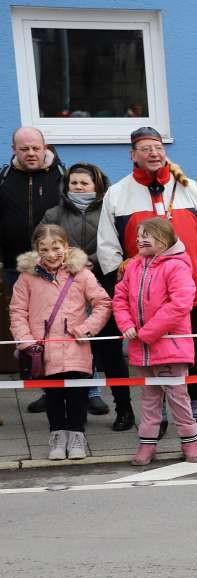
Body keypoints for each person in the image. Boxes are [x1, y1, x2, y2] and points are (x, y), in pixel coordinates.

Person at [97, 126, 197, 445]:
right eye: (145, 148)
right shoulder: (118, 194)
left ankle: (195, 417)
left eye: (157, 146)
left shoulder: (190, 189)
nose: (153, 152)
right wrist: (125, 283)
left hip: (187, 296)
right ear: (133, 154)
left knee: (190, 354)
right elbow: (107, 246)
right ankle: (161, 418)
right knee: (149, 356)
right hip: (143, 299)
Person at [39, 163, 134, 429]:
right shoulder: (53, 213)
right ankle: (73, 411)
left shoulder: (111, 209)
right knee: (72, 349)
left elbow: (122, 245)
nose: (78, 188)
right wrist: (69, 262)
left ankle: (124, 409)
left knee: (111, 352)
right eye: (74, 183)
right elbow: (40, 245)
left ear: (97, 186)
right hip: (64, 290)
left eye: (84, 183)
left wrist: (89, 261)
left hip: (105, 286)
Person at [9, 224, 111, 460]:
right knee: (53, 396)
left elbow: (103, 303)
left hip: (76, 345)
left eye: (56, 248)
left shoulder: (81, 274)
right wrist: (27, 342)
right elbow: (17, 311)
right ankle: (57, 434)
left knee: (77, 395)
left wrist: (87, 329)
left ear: (66, 246)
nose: (51, 254)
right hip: (42, 348)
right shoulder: (27, 277)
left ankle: (76, 434)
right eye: (43, 249)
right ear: (36, 250)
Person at [113, 218, 197, 465]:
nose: (139, 239)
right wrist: (127, 325)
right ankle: (147, 445)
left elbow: (180, 304)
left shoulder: (177, 266)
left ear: (164, 240)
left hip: (169, 347)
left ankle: (190, 442)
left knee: (178, 398)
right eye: (139, 235)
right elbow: (119, 298)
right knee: (149, 398)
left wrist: (147, 332)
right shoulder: (133, 267)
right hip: (143, 348)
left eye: (147, 235)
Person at [1, 127, 64, 408]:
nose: (30, 153)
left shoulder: (62, 176)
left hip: (56, 267)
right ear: (14, 149)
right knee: (36, 330)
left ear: (44, 147)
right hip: (15, 267)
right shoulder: (3, 178)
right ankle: (48, 391)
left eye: (35, 148)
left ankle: (90, 391)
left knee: (69, 326)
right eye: (24, 148)